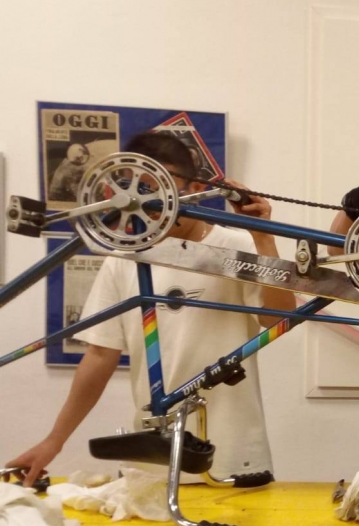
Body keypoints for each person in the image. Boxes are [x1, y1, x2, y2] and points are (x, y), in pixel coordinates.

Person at [7, 132, 296, 486]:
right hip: (152, 463)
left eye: (158, 188)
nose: (149, 202)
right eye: (139, 188)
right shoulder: (123, 258)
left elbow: (278, 318)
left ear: (194, 188)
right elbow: (99, 356)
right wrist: (54, 441)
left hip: (236, 459)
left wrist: (263, 237)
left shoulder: (238, 244)